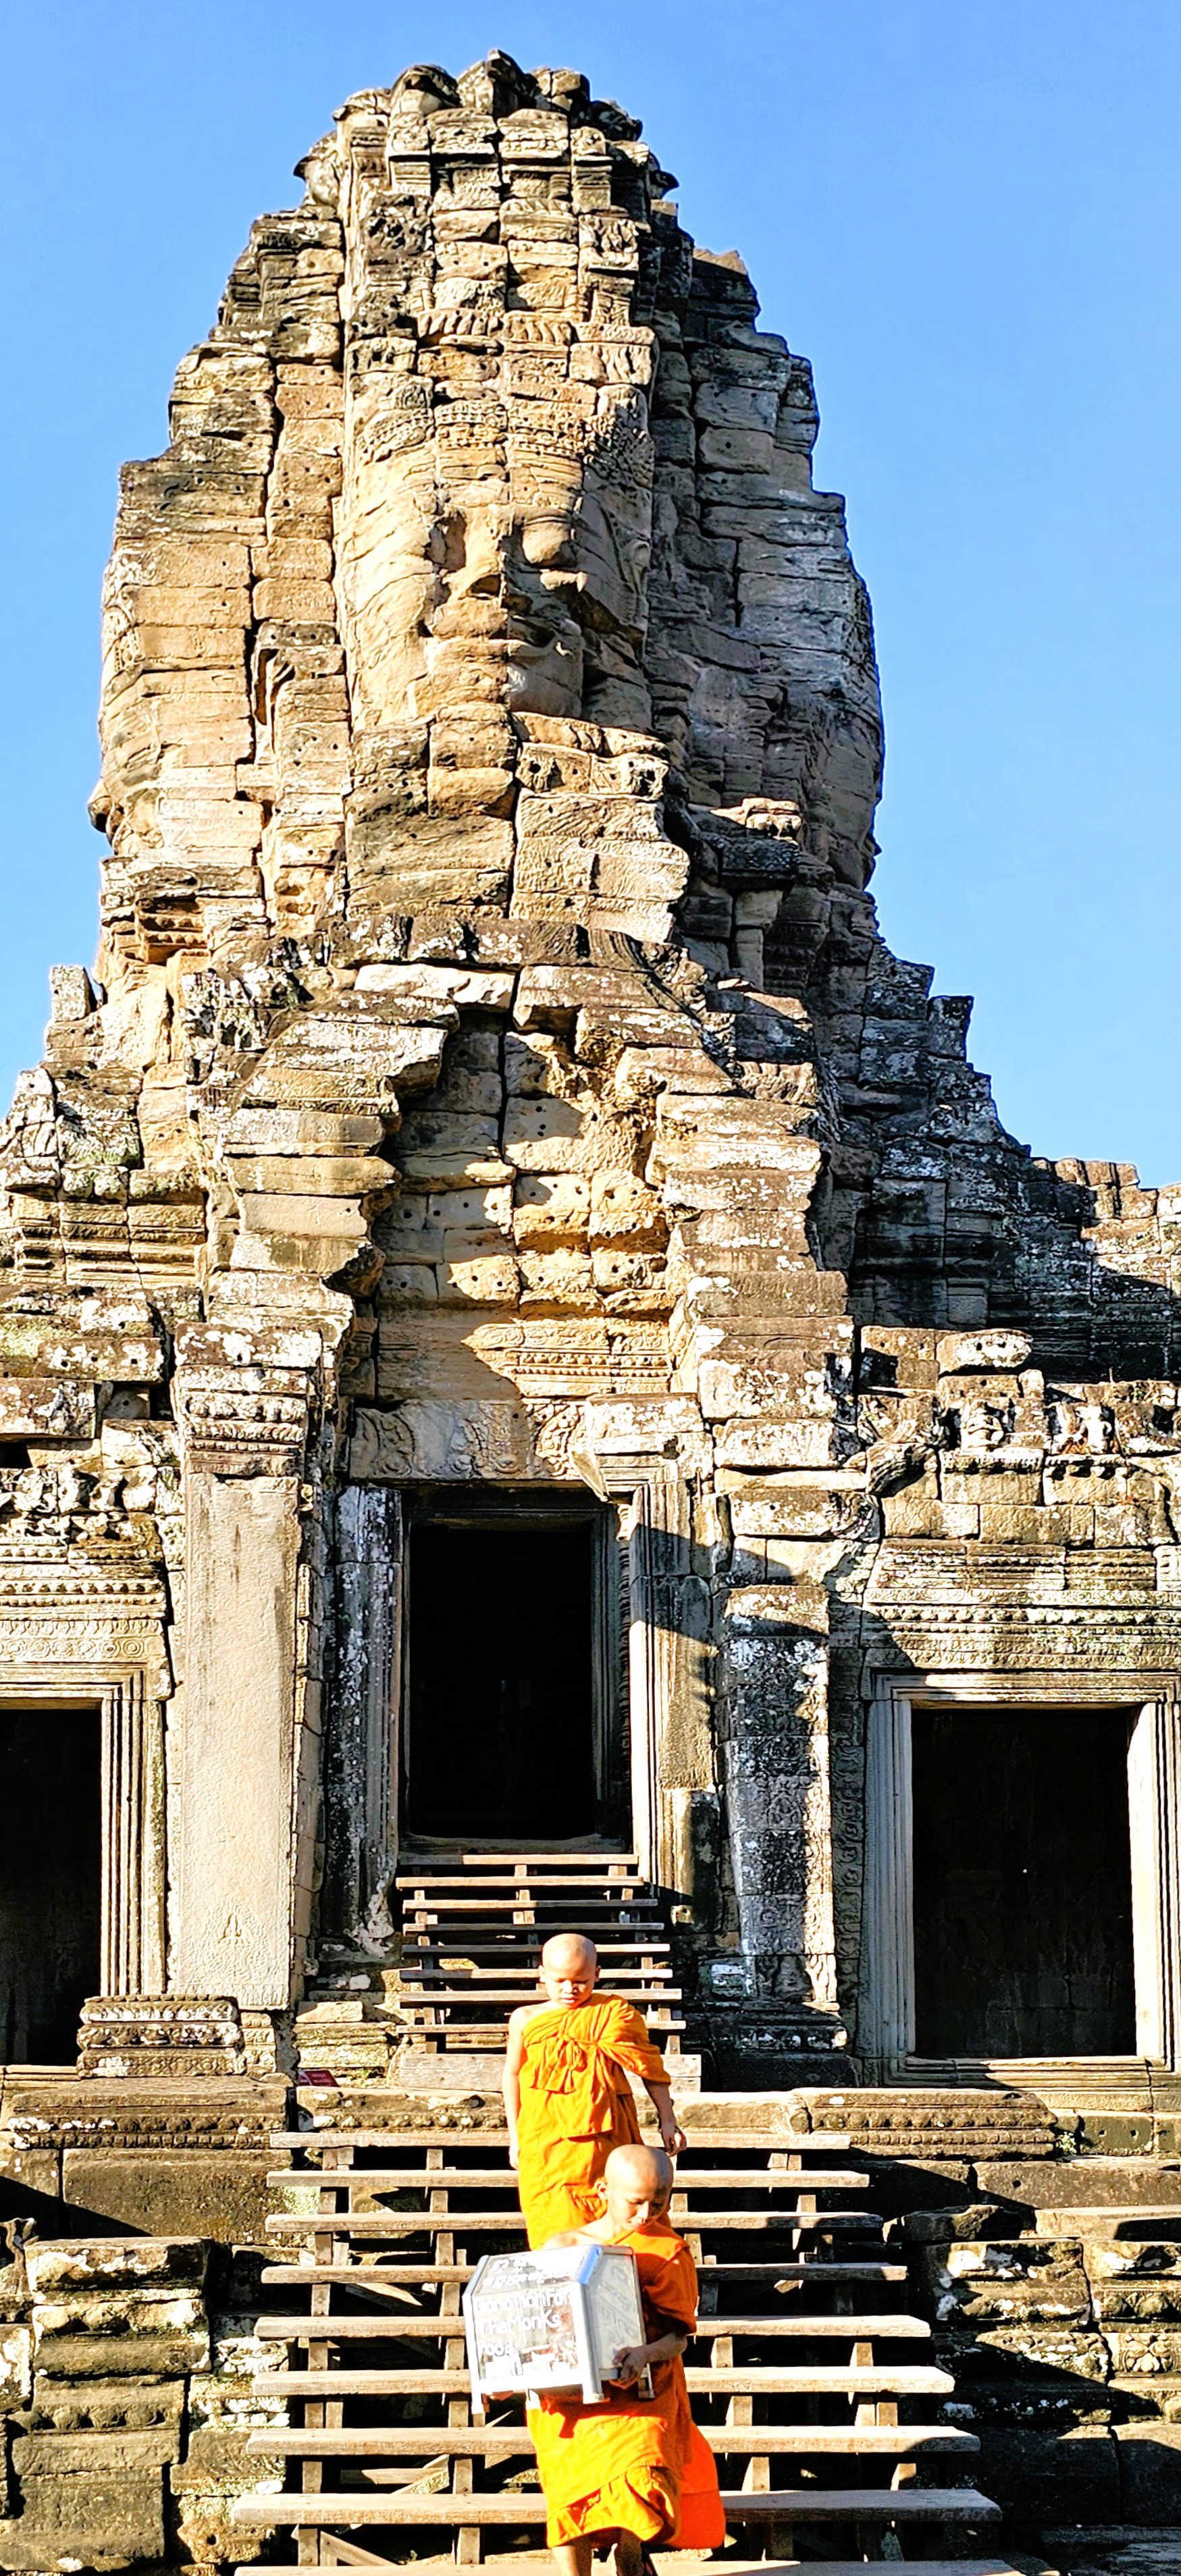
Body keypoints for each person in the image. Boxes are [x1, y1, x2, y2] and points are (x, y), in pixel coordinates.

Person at [527, 2142, 726, 2574]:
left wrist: (645, 2353)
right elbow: (532, 2320)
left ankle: (631, 2553)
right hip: (571, 2399)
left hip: (641, 2389)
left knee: (641, 2477)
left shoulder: (667, 2250)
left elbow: (679, 2336)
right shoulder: (560, 2245)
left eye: (659, 2201)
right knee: (570, 2496)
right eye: (635, 2202)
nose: (645, 2214)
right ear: (603, 2189)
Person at [502, 1934, 686, 2247]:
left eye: (581, 1981)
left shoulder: (615, 2013)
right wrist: (515, 2136)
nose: (570, 1990)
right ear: (542, 1973)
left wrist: (667, 2119)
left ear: (597, 1975)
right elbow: (513, 2074)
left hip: (606, 2138)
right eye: (560, 1980)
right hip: (545, 2141)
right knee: (556, 2225)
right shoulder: (525, 2018)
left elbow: (649, 2069)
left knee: (619, 2214)